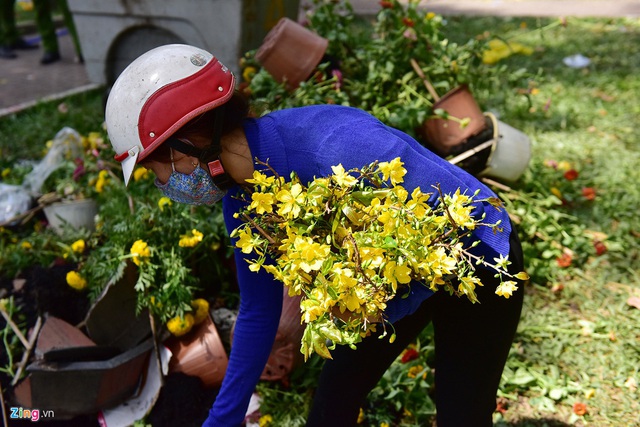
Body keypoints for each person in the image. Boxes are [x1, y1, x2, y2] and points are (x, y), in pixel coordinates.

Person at [105, 44, 526, 427]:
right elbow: (257, 312)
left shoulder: (336, 147)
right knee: (330, 408)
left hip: (480, 255)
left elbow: (453, 220)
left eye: (153, 170)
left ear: (181, 148)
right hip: (384, 285)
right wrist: (223, 418)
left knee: (462, 413)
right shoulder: (244, 204)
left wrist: (371, 305)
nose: (161, 183)